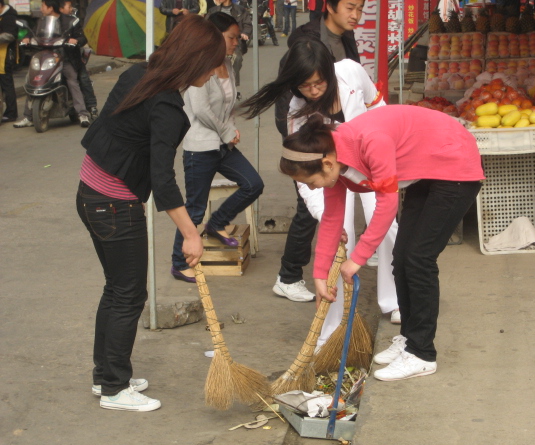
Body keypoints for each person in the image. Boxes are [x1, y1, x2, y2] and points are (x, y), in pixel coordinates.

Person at [77, 15, 225, 411]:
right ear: (195, 60)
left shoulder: (139, 74)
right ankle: (114, 388)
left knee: (116, 289)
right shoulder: (167, 108)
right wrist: (191, 234)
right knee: (129, 294)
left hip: (89, 191)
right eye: (212, 64)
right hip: (114, 204)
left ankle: (106, 374)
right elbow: (162, 180)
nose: (214, 73)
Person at [279, 106, 484, 381]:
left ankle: (422, 354)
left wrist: (357, 259)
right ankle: (410, 339)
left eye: (312, 182)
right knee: (400, 257)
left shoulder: (371, 142)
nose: (314, 188)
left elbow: (386, 206)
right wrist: (319, 275)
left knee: (419, 258)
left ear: (326, 164)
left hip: (455, 164)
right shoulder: (335, 161)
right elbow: (331, 218)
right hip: (428, 169)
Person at [242, 38, 399, 345]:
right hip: (331, 176)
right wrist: (325, 215)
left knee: (386, 225)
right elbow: (305, 177)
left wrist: (383, 149)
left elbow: (378, 106)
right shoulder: (298, 113)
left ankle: (394, 300)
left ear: (329, 71)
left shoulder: (352, 72)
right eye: (304, 85)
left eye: (318, 82)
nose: (313, 90)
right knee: (340, 238)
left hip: (370, 161)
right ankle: (334, 328)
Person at [260, 0, 364, 303]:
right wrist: (303, 157)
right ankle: (289, 274)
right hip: (311, 143)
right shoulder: (305, 44)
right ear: (329, 6)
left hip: (340, 146)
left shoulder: (347, 51)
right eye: (350, 6)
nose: (355, 14)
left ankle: (300, 273)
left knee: (332, 212)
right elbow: (289, 110)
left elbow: (368, 101)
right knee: (311, 207)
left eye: (360, 8)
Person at [170, 12, 263, 283]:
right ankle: (178, 263)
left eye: (236, 37)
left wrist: (230, 129)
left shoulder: (228, 65)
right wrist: (225, 131)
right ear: (214, 36)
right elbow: (200, 109)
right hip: (200, 147)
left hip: (223, 146)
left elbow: (227, 104)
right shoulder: (200, 65)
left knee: (253, 183)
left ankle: (217, 223)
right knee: (194, 209)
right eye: (231, 37)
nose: (236, 42)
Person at [14, 0, 91, 128]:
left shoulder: (70, 21)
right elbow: (32, 33)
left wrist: (75, 40)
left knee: (72, 79)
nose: (41, 8)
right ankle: (28, 116)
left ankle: (82, 114)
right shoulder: (41, 21)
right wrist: (27, 38)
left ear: (50, 8)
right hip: (44, 56)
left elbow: (82, 38)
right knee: (32, 79)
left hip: (65, 57)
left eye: (43, 5)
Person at [60, 0, 98, 118]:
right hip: (55, 59)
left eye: (70, 6)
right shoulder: (48, 22)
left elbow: (82, 37)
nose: (71, 8)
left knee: (83, 78)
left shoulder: (73, 21)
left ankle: (92, 106)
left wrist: (76, 41)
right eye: (69, 6)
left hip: (73, 58)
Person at [208, 0, 251, 88]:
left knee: (237, 58)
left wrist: (244, 33)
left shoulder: (241, 10)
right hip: (217, 43)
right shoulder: (213, 10)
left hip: (236, 42)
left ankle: (233, 84)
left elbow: (248, 25)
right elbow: (206, 26)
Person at [0, 0, 18, 123]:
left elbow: (9, 36)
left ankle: (11, 113)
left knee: (7, 85)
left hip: (6, 57)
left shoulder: (10, 16)